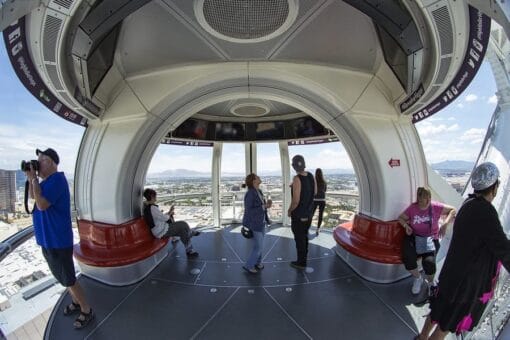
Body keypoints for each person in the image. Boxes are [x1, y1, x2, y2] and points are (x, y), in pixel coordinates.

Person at [417, 162, 510, 340]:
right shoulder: (486, 212)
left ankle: (421, 337)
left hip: (450, 275)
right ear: (494, 187)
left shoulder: (468, 203)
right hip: (464, 286)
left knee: (436, 311)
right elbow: (502, 248)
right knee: (446, 324)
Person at [25, 148, 94, 329]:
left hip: (57, 240)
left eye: (42, 160)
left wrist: (34, 178)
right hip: (48, 239)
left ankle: (86, 310)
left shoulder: (57, 180)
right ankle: (77, 302)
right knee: (62, 277)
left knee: (69, 278)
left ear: (53, 163)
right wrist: (31, 178)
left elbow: (41, 205)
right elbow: (34, 196)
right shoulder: (46, 182)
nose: (38, 163)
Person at [398, 187, 456, 295]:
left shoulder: (435, 207)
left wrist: (445, 223)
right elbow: (400, 218)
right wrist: (406, 226)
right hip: (415, 236)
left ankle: (430, 283)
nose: (421, 201)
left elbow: (453, 210)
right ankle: (418, 278)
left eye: (424, 198)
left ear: (429, 198)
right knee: (407, 257)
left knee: (429, 262)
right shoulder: (412, 208)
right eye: (419, 197)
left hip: (431, 238)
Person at [142, 189, 200, 257]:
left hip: (160, 228)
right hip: (160, 231)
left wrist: (169, 212)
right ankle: (190, 233)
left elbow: (160, 217)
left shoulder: (149, 207)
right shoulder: (153, 208)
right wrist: (170, 212)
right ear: (152, 196)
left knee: (182, 231)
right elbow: (165, 218)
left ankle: (189, 250)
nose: (156, 197)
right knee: (183, 224)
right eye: (155, 196)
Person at [288, 155, 316, 269]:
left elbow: (295, 201)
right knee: (304, 237)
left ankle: (301, 262)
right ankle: (304, 259)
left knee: (299, 238)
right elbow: (315, 192)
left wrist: (289, 211)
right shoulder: (311, 175)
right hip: (308, 214)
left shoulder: (296, 178)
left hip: (299, 215)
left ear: (294, 166)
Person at [241, 174, 272, 274]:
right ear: (254, 181)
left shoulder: (259, 191)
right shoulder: (250, 193)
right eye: (257, 177)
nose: (259, 178)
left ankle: (258, 263)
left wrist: (267, 218)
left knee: (259, 245)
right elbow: (249, 210)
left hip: (261, 222)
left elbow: (262, 207)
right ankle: (249, 265)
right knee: (258, 247)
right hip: (254, 224)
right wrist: (264, 206)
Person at [312, 168, 327, 235]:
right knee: (320, 215)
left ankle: (306, 227)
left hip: (315, 200)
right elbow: (325, 190)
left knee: (311, 214)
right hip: (322, 200)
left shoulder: (313, 182)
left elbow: (312, 191)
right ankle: (318, 229)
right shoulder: (324, 182)